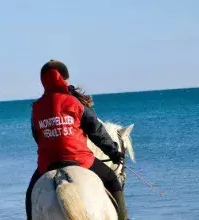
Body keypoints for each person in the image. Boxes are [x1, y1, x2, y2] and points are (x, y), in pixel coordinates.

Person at [25, 60, 129, 220]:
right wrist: (113, 152)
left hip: (47, 163)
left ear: (43, 82)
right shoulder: (76, 102)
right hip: (79, 159)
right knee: (112, 179)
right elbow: (97, 131)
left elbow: (37, 137)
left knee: (30, 195)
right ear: (65, 79)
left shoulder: (37, 108)